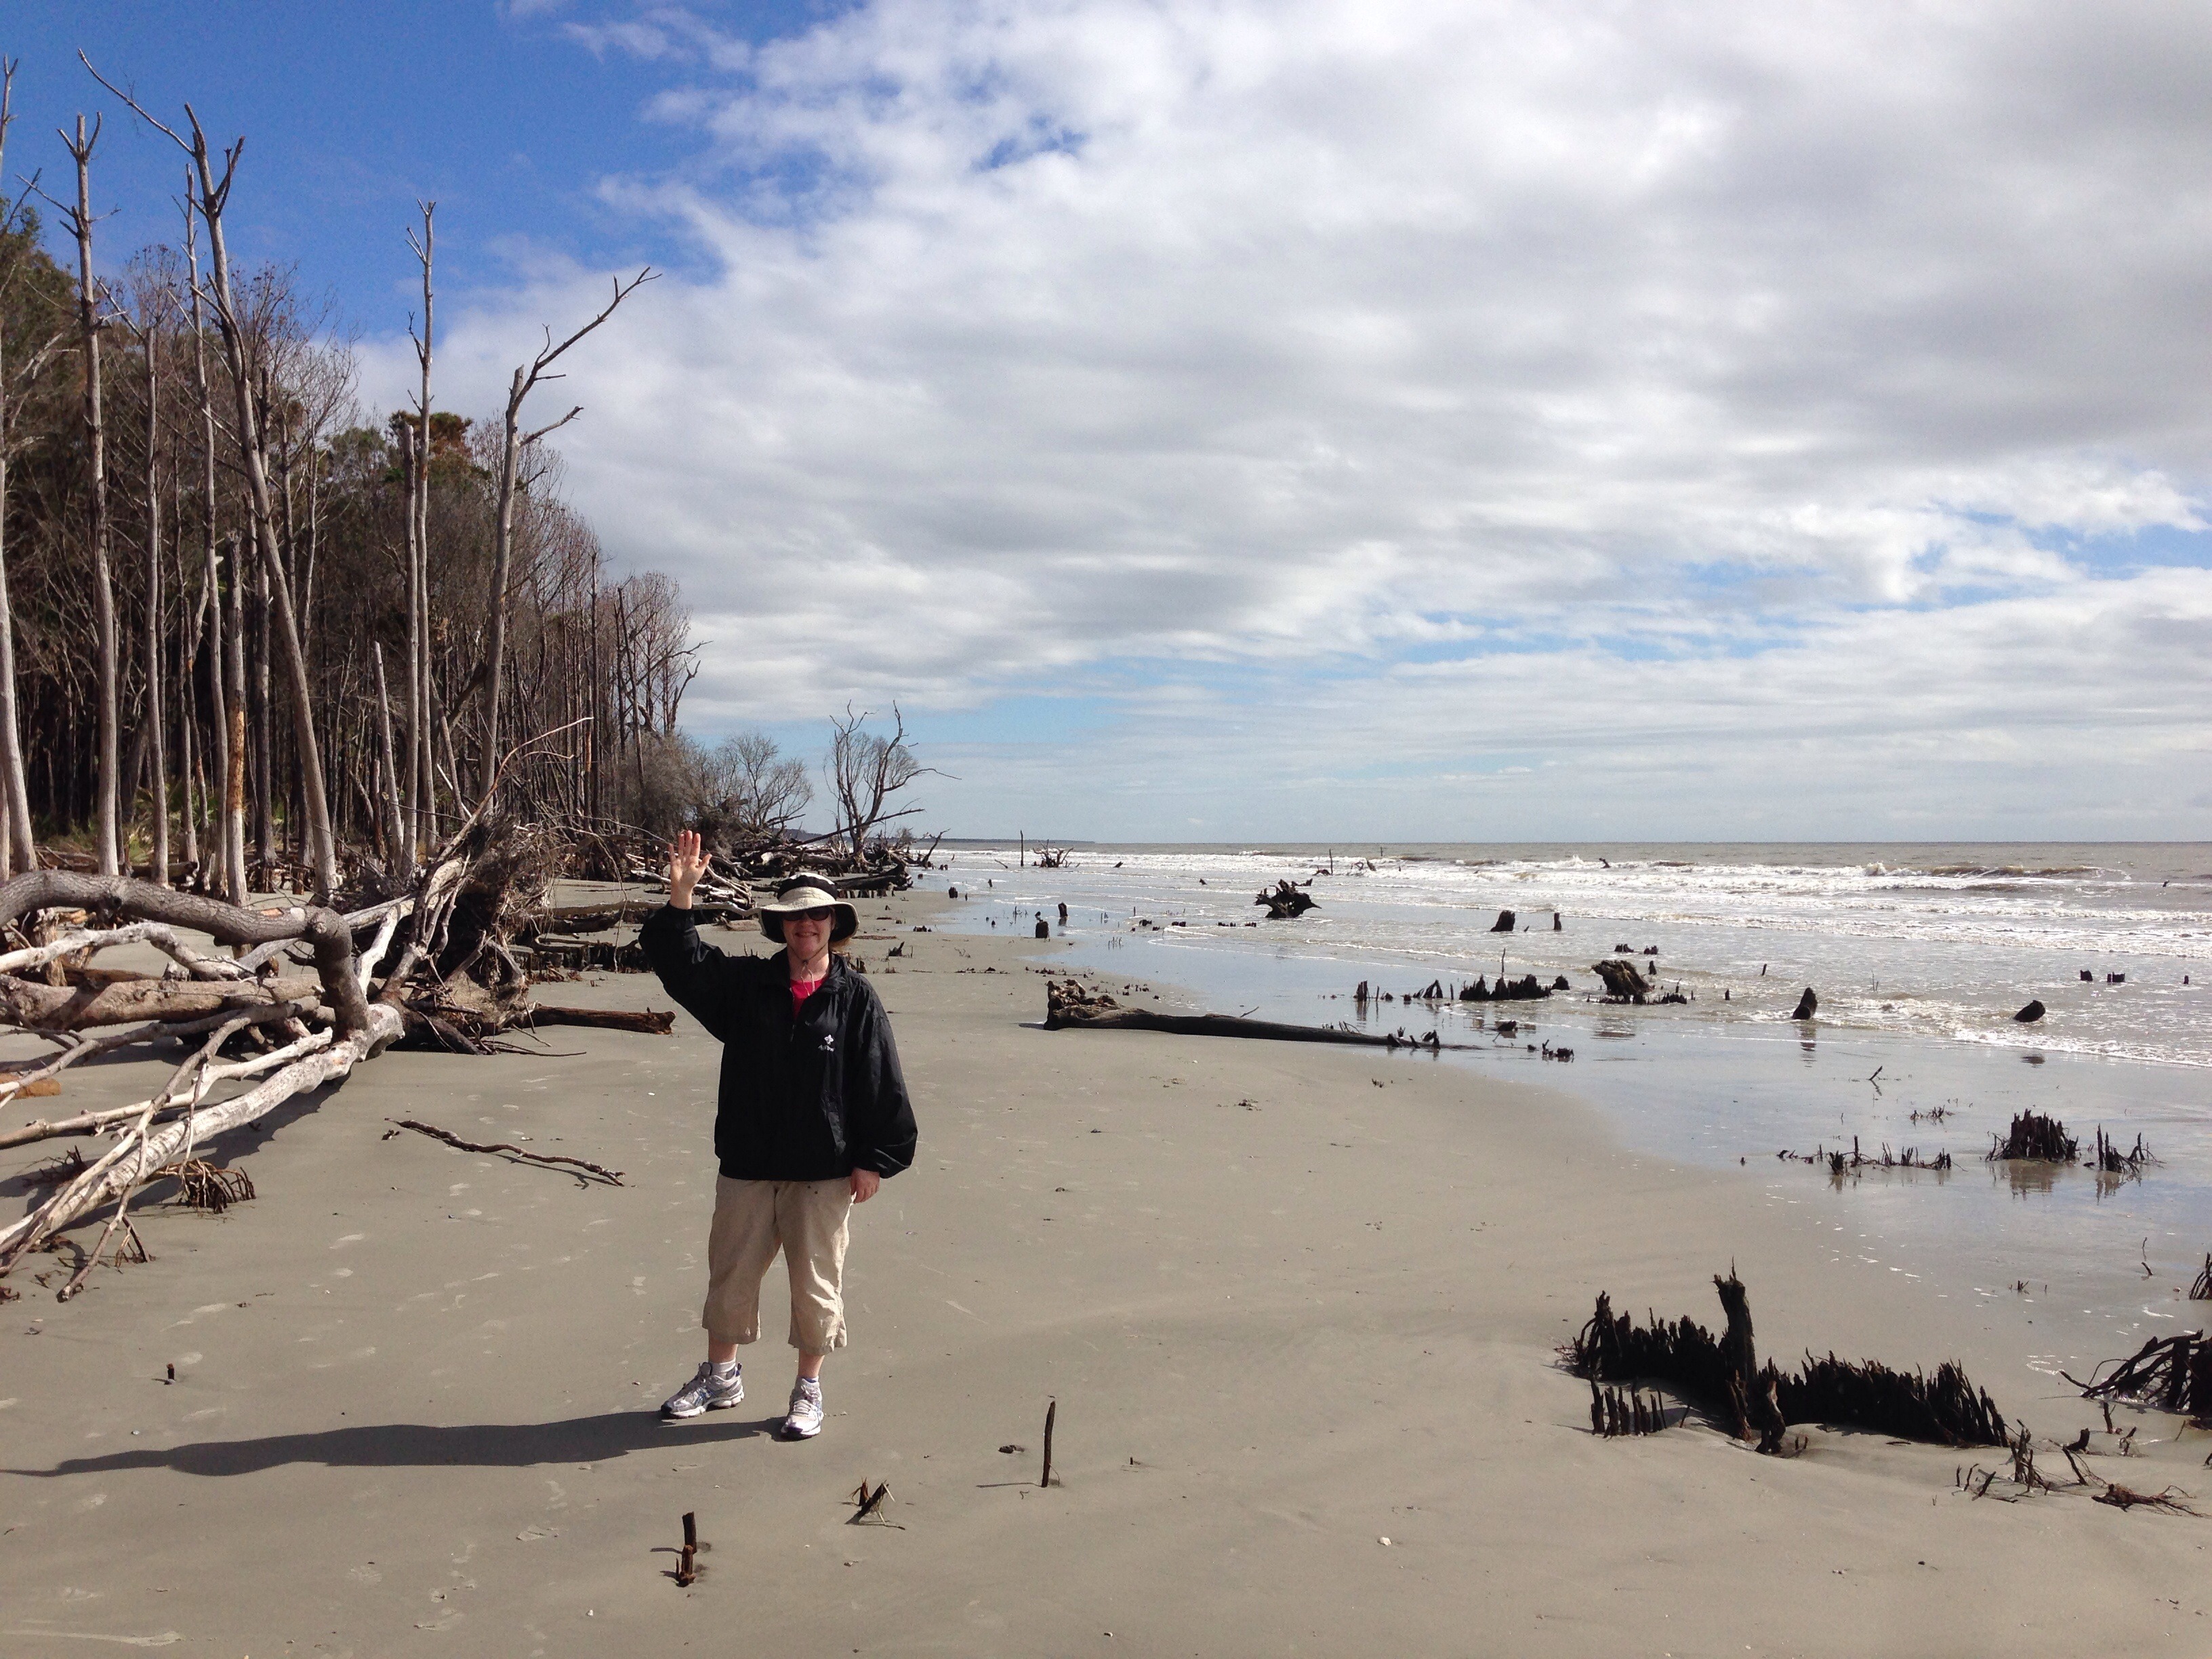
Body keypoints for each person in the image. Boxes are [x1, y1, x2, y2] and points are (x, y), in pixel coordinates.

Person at [641, 833, 918, 1439]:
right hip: (748, 1161)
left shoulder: (855, 1000)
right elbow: (682, 967)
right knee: (730, 1276)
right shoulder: (747, 988)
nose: (806, 926)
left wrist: (874, 1159)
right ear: (781, 927)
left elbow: (880, 1081)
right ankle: (721, 1377)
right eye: (795, 916)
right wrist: (682, 896)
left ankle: (807, 1390)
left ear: (834, 924)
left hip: (823, 1172)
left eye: (818, 915)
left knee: (816, 1284)